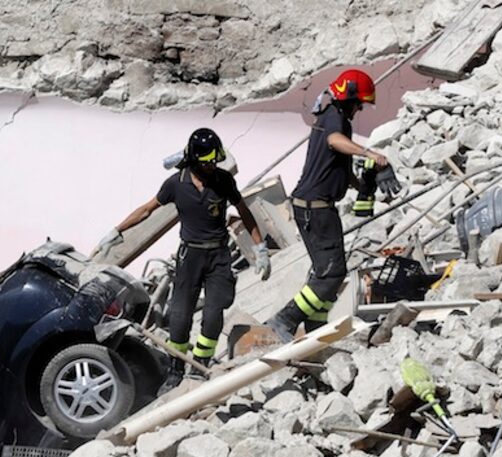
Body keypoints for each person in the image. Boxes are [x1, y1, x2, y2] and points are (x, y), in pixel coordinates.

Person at [95, 128, 268, 381]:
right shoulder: (176, 184)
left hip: (218, 257)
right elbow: (146, 209)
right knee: (179, 316)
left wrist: (260, 247)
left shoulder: (223, 181)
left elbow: (244, 211)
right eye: (206, 163)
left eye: (214, 162)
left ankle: (199, 365)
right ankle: (176, 369)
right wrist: (117, 230)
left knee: (212, 315)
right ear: (195, 161)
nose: (211, 167)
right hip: (190, 258)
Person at [266, 69, 401, 341]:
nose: (360, 108)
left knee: (326, 273)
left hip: (315, 206)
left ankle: (317, 328)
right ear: (349, 98)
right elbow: (335, 142)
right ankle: (285, 319)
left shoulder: (333, 119)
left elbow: (338, 163)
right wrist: (370, 152)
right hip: (315, 208)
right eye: (358, 103)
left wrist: (361, 185)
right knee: (332, 273)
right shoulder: (333, 120)